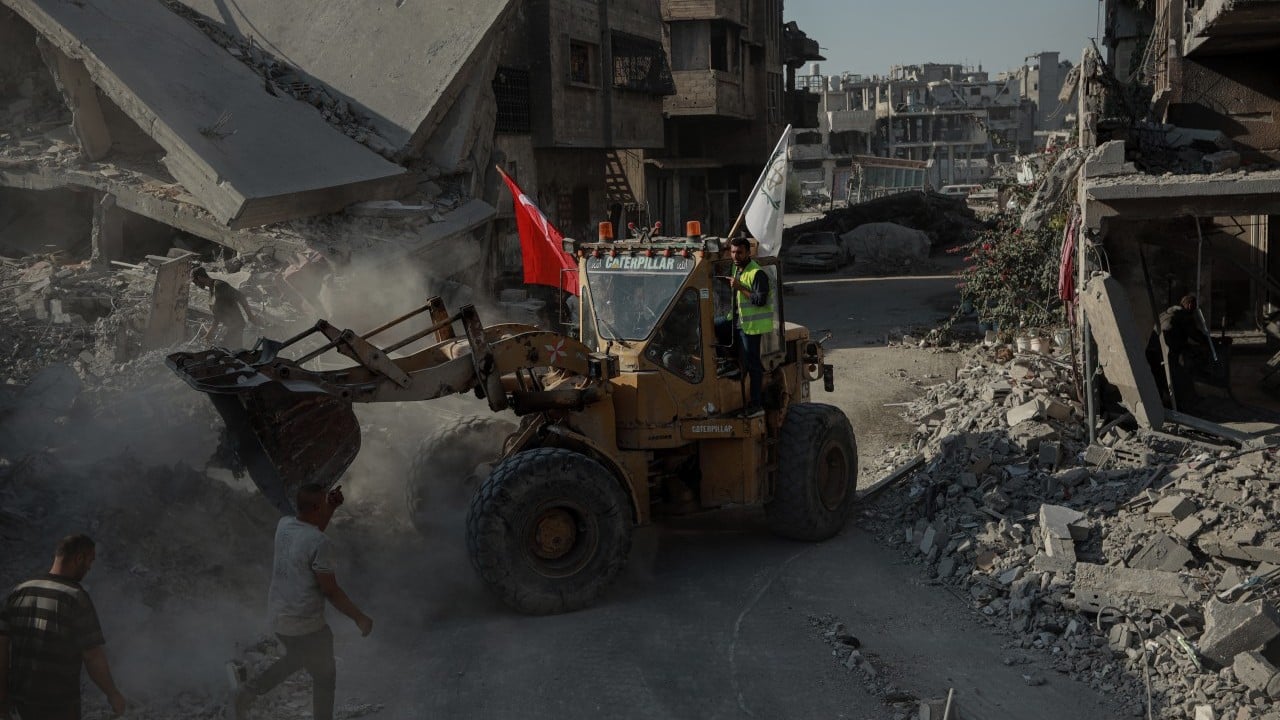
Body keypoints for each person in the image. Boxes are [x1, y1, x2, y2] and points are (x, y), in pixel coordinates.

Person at [232, 484, 372, 720]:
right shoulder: (321, 543)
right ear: (317, 507)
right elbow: (330, 591)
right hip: (305, 626)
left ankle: (248, 691)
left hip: (279, 619)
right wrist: (359, 617)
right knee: (325, 675)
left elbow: (310, 532)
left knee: (297, 658)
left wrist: (332, 507)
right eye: (324, 503)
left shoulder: (284, 525)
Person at [0, 535, 126, 720]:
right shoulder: (75, 597)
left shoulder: (18, 592)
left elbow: (1, 649)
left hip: (22, 702)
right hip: (59, 704)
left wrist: (2, 700)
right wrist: (113, 694)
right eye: (90, 561)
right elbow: (92, 656)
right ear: (79, 558)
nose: (89, 568)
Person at [715, 236, 773, 416]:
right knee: (712, 328)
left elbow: (759, 300)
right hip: (736, 320)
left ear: (748, 252)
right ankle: (727, 363)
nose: (735, 256)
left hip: (751, 326)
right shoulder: (735, 267)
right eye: (733, 252)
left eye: (739, 252)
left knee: (752, 364)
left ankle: (756, 405)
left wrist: (740, 287)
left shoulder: (757, 273)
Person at [1145, 294, 1205, 407]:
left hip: (1152, 350)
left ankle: (1159, 405)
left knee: (1158, 377)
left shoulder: (1166, 313)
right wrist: (1212, 341)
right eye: (1194, 307)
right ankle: (1182, 404)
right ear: (1190, 305)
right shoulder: (1184, 315)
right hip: (1164, 352)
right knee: (1178, 376)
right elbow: (1195, 335)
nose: (1194, 311)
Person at [191, 266, 257, 346]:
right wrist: (209, 333)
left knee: (230, 351)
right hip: (229, 326)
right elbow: (218, 315)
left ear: (200, 278)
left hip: (235, 326)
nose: (196, 285)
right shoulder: (212, 289)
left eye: (195, 282)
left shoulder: (220, 286)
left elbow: (241, 296)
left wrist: (250, 316)